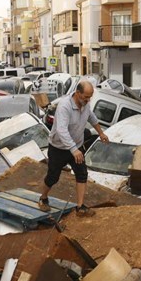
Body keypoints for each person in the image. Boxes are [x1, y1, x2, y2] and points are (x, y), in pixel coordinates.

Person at [38, 80, 109, 216]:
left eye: (90, 97)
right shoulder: (64, 106)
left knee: (82, 174)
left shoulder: (86, 105)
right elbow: (61, 130)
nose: (88, 100)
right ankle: (43, 198)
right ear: (77, 93)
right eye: (85, 97)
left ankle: (80, 207)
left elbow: (92, 118)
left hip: (76, 147)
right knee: (53, 177)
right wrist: (73, 149)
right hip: (58, 148)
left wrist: (101, 133)